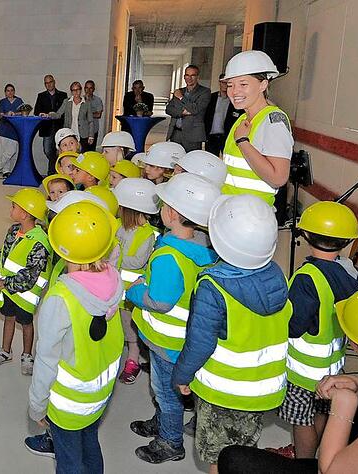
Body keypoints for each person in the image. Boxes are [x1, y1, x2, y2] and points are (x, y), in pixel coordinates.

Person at [218, 288, 358, 473]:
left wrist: (344, 405)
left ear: (354, 344)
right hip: (354, 462)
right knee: (233, 458)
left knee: (233, 461)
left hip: (333, 466)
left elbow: (329, 470)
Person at [172, 194, 290, 474]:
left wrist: (182, 375)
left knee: (220, 458)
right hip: (260, 390)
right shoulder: (278, 277)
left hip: (223, 393)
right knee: (244, 453)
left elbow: (200, 343)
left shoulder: (213, 287)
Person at [126, 174, 221, 463]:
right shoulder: (205, 249)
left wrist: (135, 291)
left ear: (171, 213)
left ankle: (170, 441)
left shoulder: (169, 256)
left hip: (167, 342)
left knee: (166, 392)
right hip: (186, 338)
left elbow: (161, 302)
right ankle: (163, 423)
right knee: (168, 391)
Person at [24, 201, 124, 472]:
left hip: (68, 403)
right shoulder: (114, 278)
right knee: (90, 444)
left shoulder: (61, 298)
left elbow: (46, 360)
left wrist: (37, 406)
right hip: (100, 393)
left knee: (68, 460)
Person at [268, 201, 358, 459]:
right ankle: (316, 456)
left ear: (305, 234)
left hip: (303, 372)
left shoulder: (307, 278)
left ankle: (303, 462)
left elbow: (294, 326)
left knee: (302, 421)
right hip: (332, 367)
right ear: (347, 240)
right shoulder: (353, 274)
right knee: (322, 412)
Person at [0, 189, 52, 376]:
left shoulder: (40, 242)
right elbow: (2, 255)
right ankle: (5, 351)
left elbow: (31, 275)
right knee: (8, 318)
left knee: (26, 323)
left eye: (14, 206)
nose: (11, 209)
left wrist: (5, 283)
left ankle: (27, 355)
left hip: (24, 294)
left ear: (24, 214)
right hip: (8, 289)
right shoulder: (13, 231)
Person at [220, 50, 294, 206]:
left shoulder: (273, 121)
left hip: (253, 213)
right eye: (230, 85)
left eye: (243, 84)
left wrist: (242, 142)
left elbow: (278, 178)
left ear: (263, 85)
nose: (234, 91)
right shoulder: (242, 119)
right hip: (231, 208)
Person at [112, 178, 161, 385]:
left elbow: (138, 262)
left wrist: (113, 256)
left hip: (129, 294)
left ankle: (133, 361)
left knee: (130, 330)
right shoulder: (119, 226)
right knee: (115, 327)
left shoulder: (147, 234)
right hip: (113, 289)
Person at [166, 65, 211, 152]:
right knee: (174, 158)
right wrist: (182, 113)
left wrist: (181, 98)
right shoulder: (180, 91)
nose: (189, 78)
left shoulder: (205, 92)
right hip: (175, 134)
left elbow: (195, 109)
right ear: (184, 77)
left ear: (197, 77)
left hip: (193, 135)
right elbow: (169, 109)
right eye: (187, 75)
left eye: (193, 75)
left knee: (191, 159)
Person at [34, 75, 67, 174]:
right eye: (46, 83)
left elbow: (65, 112)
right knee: (47, 150)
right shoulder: (41, 96)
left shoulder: (63, 95)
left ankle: (52, 172)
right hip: (46, 127)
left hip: (59, 127)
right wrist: (42, 114)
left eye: (50, 82)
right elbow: (36, 111)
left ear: (54, 82)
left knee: (59, 150)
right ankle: (55, 167)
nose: (48, 84)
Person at [44, 82, 93, 151]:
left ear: (81, 90)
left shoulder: (87, 103)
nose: (76, 92)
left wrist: (91, 136)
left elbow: (90, 121)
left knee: (82, 154)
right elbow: (58, 114)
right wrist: (48, 115)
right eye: (73, 90)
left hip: (83, 134)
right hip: (69, 133)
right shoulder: (66, 102)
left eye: (77, 89)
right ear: (71, 92)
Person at [204, 73, 241, 155]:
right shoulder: (211, 97)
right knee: (210, 159)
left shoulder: (235, 99)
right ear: (219, 82)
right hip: (211, 137)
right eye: (223, 82)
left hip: (227, 136)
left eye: (228, 83)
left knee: (227, 158)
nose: (225, 85)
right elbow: (206, 116)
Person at [0, 83, 23, 176]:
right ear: (5, 92)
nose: (10, 92)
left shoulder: (19, 101)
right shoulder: (2, 101)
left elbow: (24, 112)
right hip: (3, 130)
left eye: (12, 90)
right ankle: (5, 171)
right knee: (3, 152)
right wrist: (7, 113)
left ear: (14, 91)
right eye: (8, 91)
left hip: (14, 130)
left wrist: (15, 114)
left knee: (12, 151)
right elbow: (1, 114)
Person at [84, 80, 103, 151]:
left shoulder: (97, 100)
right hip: (82, 130)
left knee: (91, 151)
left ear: (93, 89)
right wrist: (93, 113)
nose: (88, 90)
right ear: (84, 89)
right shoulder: (80, 99)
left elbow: (98, 115)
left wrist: (86, 114)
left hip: (94, 129)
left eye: (90, 88)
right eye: (87, 88)